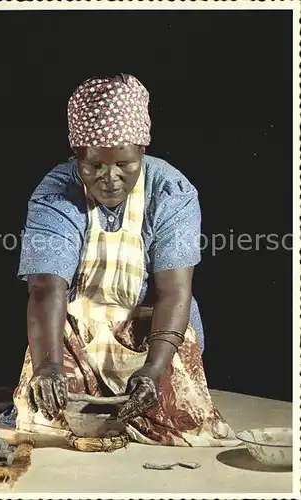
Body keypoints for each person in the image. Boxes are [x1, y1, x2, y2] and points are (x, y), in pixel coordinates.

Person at [12, 74, 238, 447]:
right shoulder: (55, 191)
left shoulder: (171, 191)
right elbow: (46, 286)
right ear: (77, 155)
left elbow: (174, 292)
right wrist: (48, 366)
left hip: (153, 327)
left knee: (181, 423)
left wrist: (152, 370)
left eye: (125, 165)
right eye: (94, 166)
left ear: (142, 151)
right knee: (47, 416)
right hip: (79, 331)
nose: (110, 179)